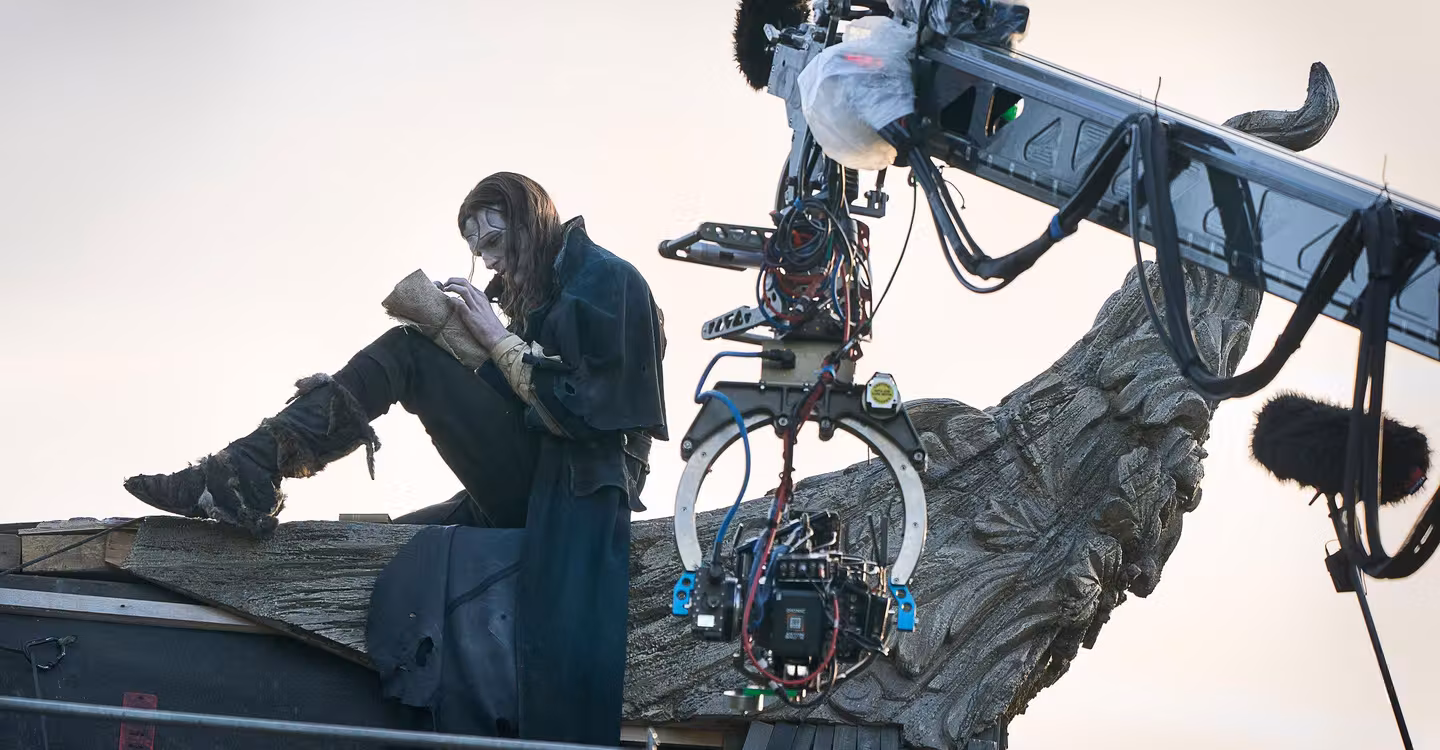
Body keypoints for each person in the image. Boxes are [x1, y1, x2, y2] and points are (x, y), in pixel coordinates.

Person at [121, 171, 669, 743]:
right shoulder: (550, 289)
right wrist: (408, 361)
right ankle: (247, 472)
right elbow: (527, 399)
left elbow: (578, 416)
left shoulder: (609, 280)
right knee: (392, 553)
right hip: (543, 479)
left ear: (530, 223)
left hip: (573, 496)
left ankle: (241, 477)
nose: (489, 261)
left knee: (407, 353)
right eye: (479, 249)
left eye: (493, 242)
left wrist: (493, 336)